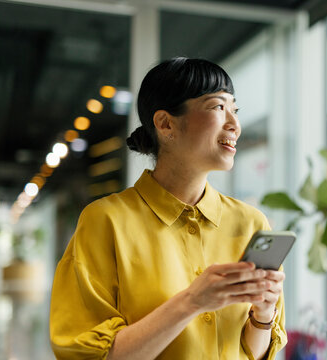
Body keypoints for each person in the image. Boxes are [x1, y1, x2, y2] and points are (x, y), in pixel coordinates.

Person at [49, 57, 287, 360]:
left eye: (235, 110)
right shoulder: (105, 221)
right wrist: (192, 302)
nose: (235, 125)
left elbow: (252, 353)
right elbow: (89, 356)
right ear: (165, 123)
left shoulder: (251, 223)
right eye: (218, 107)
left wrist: (263, 314)